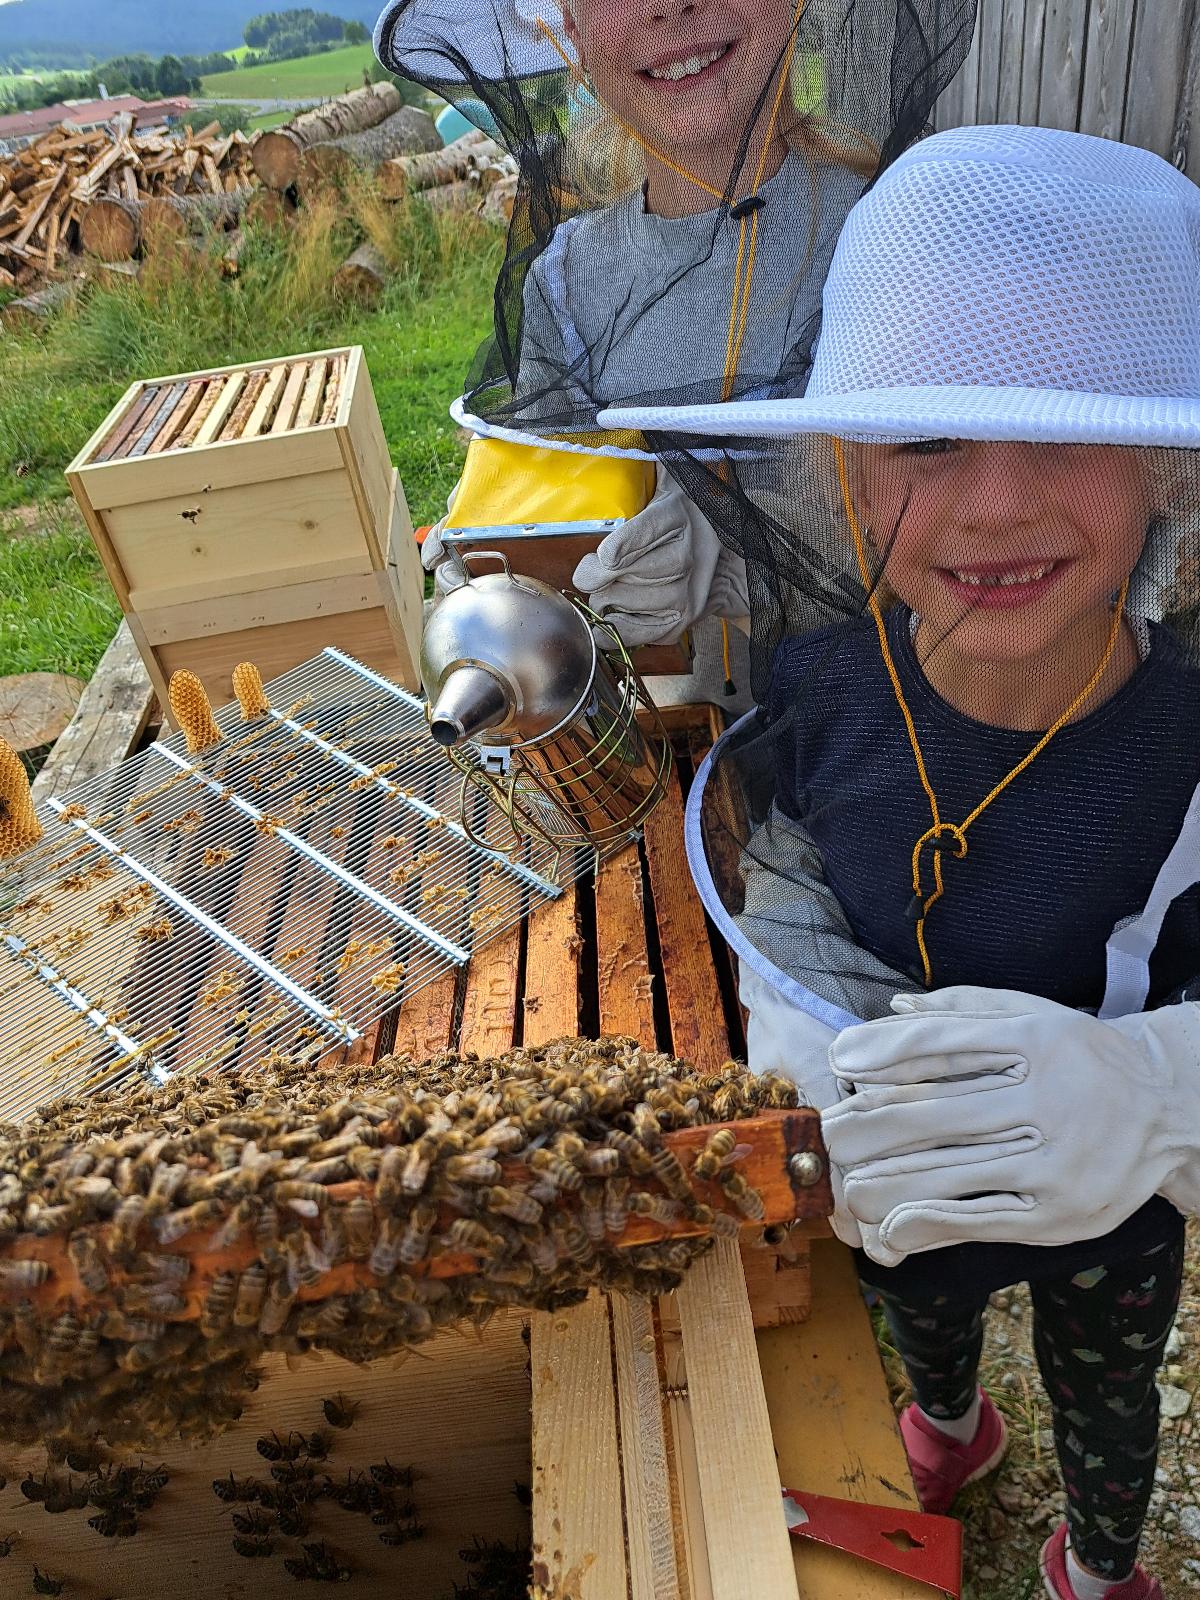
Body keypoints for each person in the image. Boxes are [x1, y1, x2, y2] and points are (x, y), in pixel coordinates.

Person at [598, 123, 1200, 1600]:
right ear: (845, 477)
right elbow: (786, 844)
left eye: (1064, 426)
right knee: (916, 1312)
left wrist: (1167, 1091)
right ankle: (949, 1419)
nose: (992, 505)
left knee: (1113, 1378)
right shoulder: (819, 687)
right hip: (896, 1181)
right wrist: (794, 1010)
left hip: (1114, 1194)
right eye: (925, 439)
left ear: (1172, 466)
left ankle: (1103, 1556)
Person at [375, 0, 976, 648]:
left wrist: (739, 556)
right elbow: (554, 516)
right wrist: (516, 585)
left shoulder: (915, 229)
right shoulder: (568, 286)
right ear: (569, 29)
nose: (668, 5)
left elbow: (995, 514)